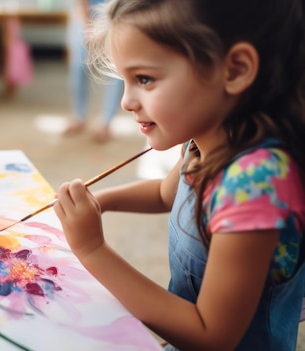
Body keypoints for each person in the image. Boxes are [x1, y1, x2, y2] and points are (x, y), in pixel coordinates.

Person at [53, 0, 305, 350]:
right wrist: (101, 201)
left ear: (234, 70)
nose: (127, 101)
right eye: (125, 80)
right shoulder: (203, 141)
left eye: (144, 79)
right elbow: (164, 194)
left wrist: (92, 248)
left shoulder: (257, 186)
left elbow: (211, 334)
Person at [64, 0, 123, 143]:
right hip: (87, 10)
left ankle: (106, 122)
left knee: (117, 68)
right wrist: (87, 23)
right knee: (78, 65)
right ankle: (79, 116)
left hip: (117, 10)